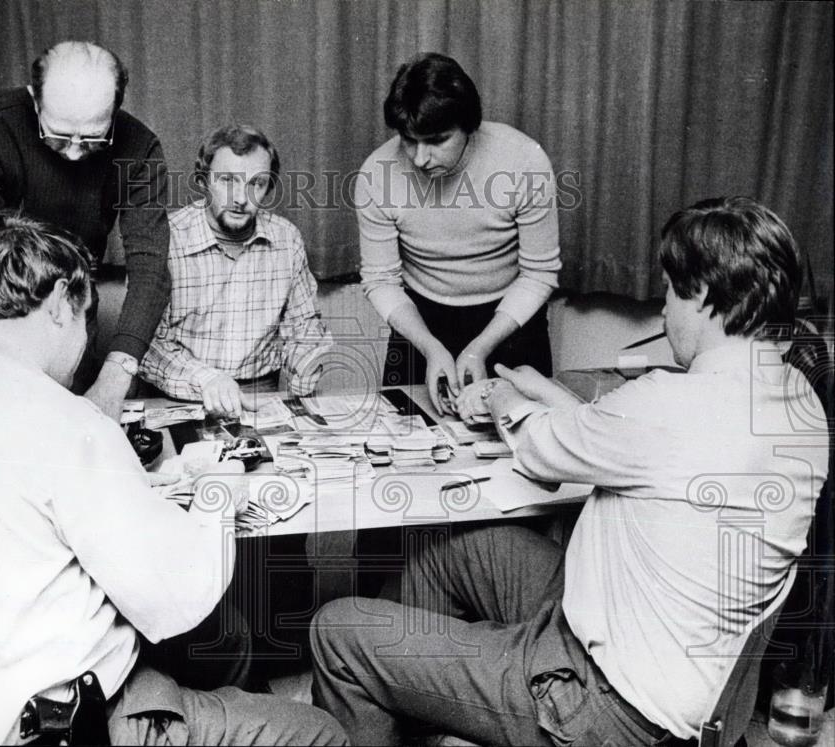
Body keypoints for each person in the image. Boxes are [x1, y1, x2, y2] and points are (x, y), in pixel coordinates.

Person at [311, 196, 828, 744]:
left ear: (702, 298)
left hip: (602, 707)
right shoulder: (800, 400)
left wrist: (505, 396)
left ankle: (426, 690)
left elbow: (542, 449)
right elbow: (636, 443)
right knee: (450, 550)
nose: (662, 312)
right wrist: (549, 393)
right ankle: (428, 702)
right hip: (685, 680)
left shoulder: (667, 404)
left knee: (338, 631)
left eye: (671, 292)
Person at [0, 214, 347, 746]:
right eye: (88, 319)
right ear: (63, 300)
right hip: (34, 726)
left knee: (224, 639)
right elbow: (174, 594)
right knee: (317, 732)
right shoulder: (65, 418)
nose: (87, 342)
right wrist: (213, 495)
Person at [0, 40, 171, 420]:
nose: (73, 153)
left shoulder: (140, 147)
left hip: (73, 309)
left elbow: (151, 270)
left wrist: (115, 379)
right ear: (35, 100)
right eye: (59, 136)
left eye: (93, 138)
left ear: (115, 109)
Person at [355, 52, 561, 414]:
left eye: (436, 140)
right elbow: (380, 280)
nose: (420, 158)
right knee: (409, 441)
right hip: (420, 321)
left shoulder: (525, 161)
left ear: (468, 126)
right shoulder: (375, 174)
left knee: (523, 445)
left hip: (511, 321)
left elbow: (539, 274)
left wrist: (481, 346)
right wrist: (430, 347)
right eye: (408, 140)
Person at [140, 124, 333, 418]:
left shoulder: (287, 239)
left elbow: (304, 329)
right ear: (204, 181)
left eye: (256, 183)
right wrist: (210, 381)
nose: (241, 198)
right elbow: (149, 346)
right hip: (179, 399)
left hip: (261, 397)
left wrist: (302, 376)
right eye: (228, 180)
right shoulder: (165, 239)